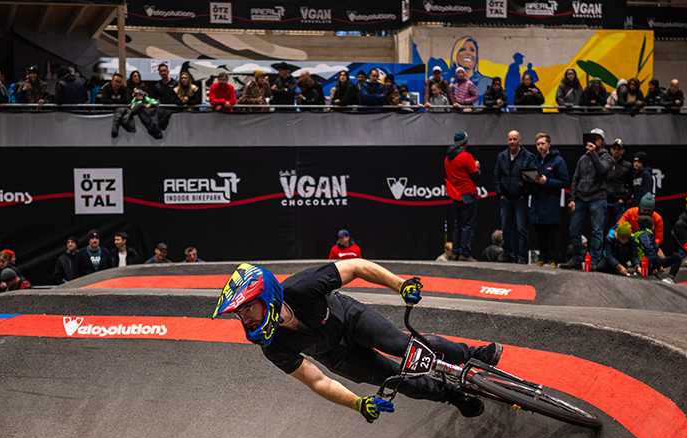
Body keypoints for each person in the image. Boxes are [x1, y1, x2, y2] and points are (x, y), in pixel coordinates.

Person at [211, 261, 502, 422]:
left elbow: (357, 267)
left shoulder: (302, 287)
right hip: (338, 356)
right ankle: (454, 396)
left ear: (266, 297)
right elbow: (316, 381)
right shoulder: (272, 345)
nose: (244, 318)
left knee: (405, 346)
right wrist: (358, 404)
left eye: (247, 308)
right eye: (239, 313)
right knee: (401, 381)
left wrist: (400, 285)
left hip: (350, 318)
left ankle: (472, 354)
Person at [560, 128, 612, 270]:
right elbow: (575, 179)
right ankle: (577, 258)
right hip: (581, 198)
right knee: (574, 229)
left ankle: (594, 261)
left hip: (598, 198)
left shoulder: (607, 157)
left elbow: (602, 171)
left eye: (596, 138)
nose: (593, 141)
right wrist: (572, 198)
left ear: (601, 141)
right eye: (591, 138)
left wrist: (594, 154)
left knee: (597, 231)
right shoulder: (583, 158)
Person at [528, 132, 570, 266]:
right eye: (538, 144)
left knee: (552, 231)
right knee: (540, 231)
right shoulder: (534, 160)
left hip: (551, 201)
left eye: (543, 143)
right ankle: (542, 258)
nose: (540, 146)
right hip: (537, 201)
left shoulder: (558, 160)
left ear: (549, 144)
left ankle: (554, 259)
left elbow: (564, 181)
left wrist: (547, 181)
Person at [494, 130, 533, 263]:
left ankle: (522, 257)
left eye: (514, 139)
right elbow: (496, 176)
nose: (512, 142)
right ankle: (507, 254)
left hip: (521, 198)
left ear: (519, 140)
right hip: (506, 198)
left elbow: (532, 176)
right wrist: (500, 193)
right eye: (510, 139)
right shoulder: (502, 156)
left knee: (521, 228)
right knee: (505, 228)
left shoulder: (528, 156)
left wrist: (524, 189)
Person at [444, 130, 481, 261]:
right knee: (467, 225)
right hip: (467, 194)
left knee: (458, 224)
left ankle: (455, 252)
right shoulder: (466, 156)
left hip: (455, 196)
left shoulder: (447, 158)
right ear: (465, 142)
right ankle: (465, 253)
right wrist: (477, 166)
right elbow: (476, 176)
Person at [605, 139, 632, 230]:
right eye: (614, 148)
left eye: (619, 149)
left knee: (619, 228)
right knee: (603, 227)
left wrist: (623, 199)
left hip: (619, 202)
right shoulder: (605, 164)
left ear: (622, 151)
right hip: (605, 201)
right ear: (611, 150)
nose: (616, 150)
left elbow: (631, 186)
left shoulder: (628, 166)